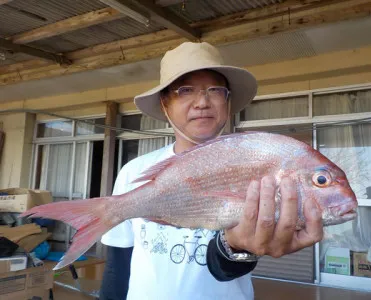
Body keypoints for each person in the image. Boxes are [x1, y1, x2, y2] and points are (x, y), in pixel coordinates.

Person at [99, 42, 323, 300]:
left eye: (215, 90)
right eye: (185, 91)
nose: (202, 102)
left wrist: (238, 248)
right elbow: (118, 264)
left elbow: (224, 266)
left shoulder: (254, 165)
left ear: (227, 101)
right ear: (165, 105)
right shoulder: (135, 171)